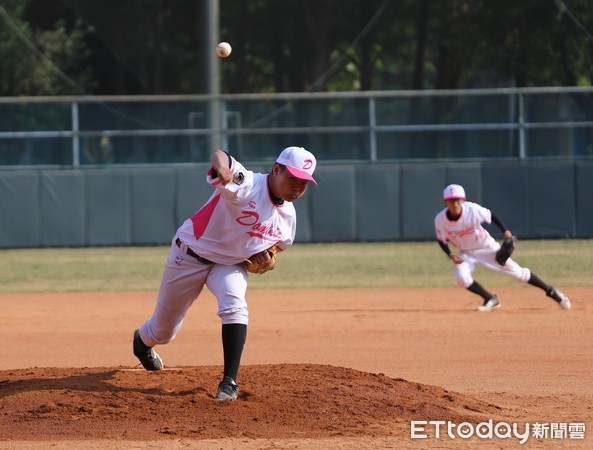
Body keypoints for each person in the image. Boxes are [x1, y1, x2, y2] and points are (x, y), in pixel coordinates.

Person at [133, 146, 318, 400]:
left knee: (235, 305)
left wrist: (263, 256)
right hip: (189, 254)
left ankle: (229, 382)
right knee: (163, 332)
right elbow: (219, 154)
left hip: (229, 264)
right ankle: (142, 343)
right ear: (276, 170)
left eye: (304, 183)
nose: (297, 187)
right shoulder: (248, 183)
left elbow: (273, 248)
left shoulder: (288, 219)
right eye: (292, 178)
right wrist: (222, 170)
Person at [434, 184, 571, 312]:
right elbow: (441, 240)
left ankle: (552, 291)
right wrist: (450, 255)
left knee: (519, 274)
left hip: (486, 247)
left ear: (463, 200)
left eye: (457, 199)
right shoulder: (440, 220)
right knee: (461, 277)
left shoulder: (472, 210)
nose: (455, 202)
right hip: (465, 252)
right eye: (451, 200)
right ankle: (490, 299)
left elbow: (491, 216)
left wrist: (506, 233)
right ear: (445, 201)